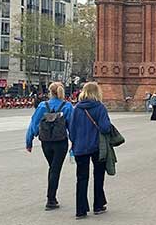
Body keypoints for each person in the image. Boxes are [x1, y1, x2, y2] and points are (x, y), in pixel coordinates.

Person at [25, 82, 74, 210]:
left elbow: (34, 124)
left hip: (45, 142)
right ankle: (51, 200)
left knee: (52, 167)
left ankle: (52, 198)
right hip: (60, 142)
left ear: (50, 92)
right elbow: (72, 126)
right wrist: (74, 142)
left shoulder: (42, 106)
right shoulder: (67, 106)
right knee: (55, 169)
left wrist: (29, 141)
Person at [69, 82, 112, 219]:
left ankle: (80, 210)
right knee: (98, 176)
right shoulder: (100, 107)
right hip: (97, 147)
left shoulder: (76, 108)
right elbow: (105, 128)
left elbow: (71, 130)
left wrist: (75, 143)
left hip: (80, 148)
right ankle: (98, 205)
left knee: (81, 178)